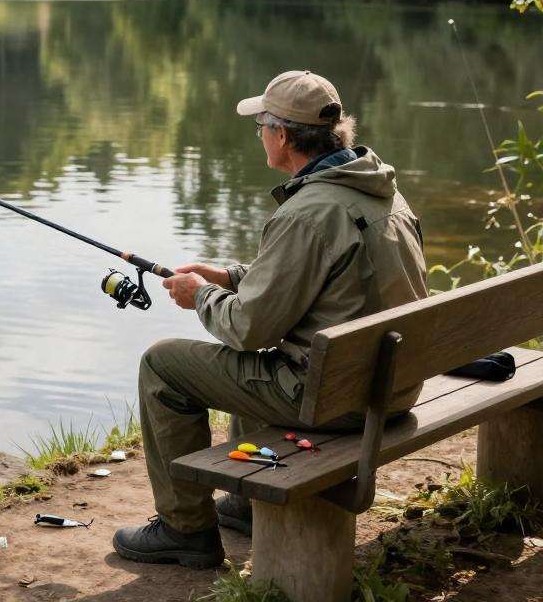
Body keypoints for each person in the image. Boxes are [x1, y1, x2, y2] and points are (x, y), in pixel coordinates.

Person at [113, 70, 428, 569]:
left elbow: (248, 327)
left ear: (282, 135)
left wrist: (200, 296)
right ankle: (245, 506)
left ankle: (185, 529)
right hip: (393, 387)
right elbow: (329, 284)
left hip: (339, 401)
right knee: (263, 358)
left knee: (163, 365)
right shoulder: (381, 191)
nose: (259, 133)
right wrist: (232, 276)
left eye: (260, 124)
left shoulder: (306, 213)